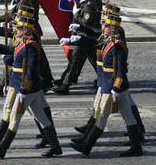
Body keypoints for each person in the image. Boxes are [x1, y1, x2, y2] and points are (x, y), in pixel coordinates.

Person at [0, 15, 62, 159]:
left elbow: (30, 71)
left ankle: (2, 149)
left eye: (17, 28)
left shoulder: (30, 46)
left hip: (27, 89)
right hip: (29, 89)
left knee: (14, 118)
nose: (14, 30)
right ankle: (56, 147)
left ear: (25, 30)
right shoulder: (22, 42)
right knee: (41, 117)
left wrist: (24, 90)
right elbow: (10, 50)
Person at [61, 13, 143, 157]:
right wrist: (76, 40)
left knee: (101, 117)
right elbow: (94, 43)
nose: (102, 27)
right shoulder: (109, 40)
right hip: (109, 85)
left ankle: (87, 146)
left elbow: (121, 70)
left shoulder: (117, 45)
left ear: (112, 28)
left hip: (111, 87)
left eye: (105, 25)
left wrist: (116, 88)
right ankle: (137, 147)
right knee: (129, 117)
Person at [53, 0, 102, 95]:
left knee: (75, 60)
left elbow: (87, 22)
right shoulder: (83, 0)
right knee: (93, 61)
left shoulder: (90, 3)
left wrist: (76, 13)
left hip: (87, 36)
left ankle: (65, 85)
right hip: (83, 36)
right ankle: (104, 78)